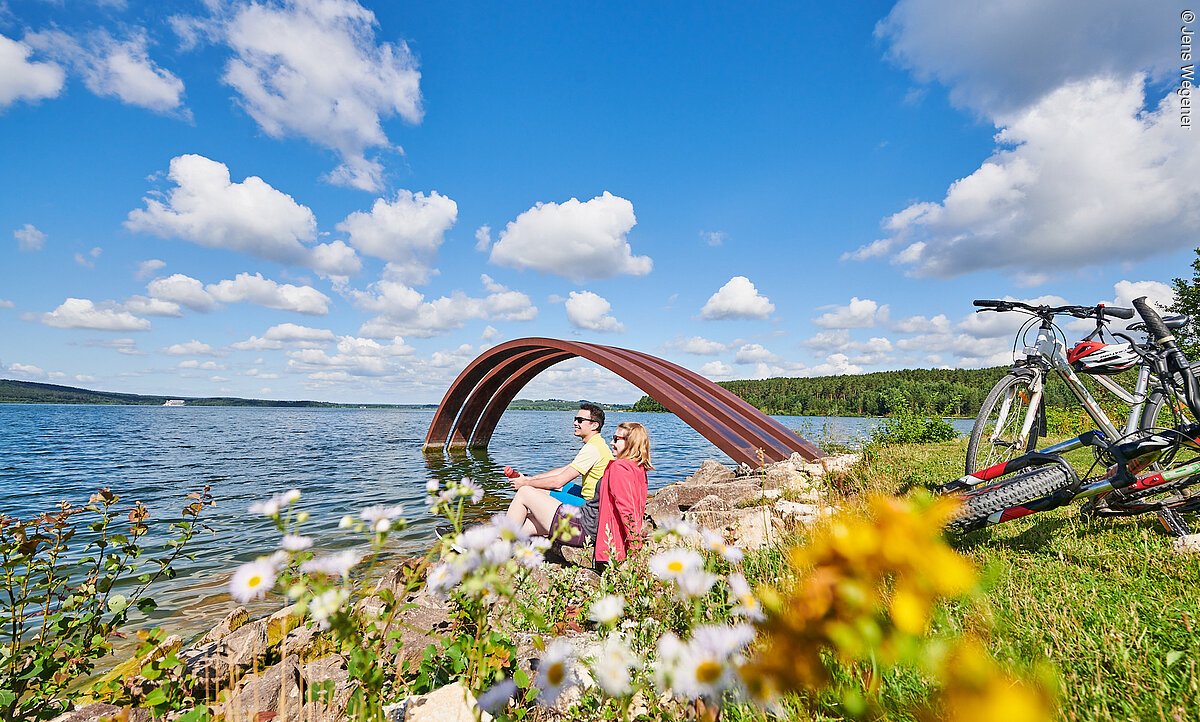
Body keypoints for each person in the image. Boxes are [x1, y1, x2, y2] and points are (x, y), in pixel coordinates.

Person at [506, 421, 653, 564]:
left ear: (631, 442)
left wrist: (635, 548)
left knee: (525, 492)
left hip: (583, 528)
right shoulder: (637, 469)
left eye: (616, 439)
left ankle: (502, 549)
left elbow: (626, 509)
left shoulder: (619, 468)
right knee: (531, 522)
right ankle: (505, 552)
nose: (611, 442)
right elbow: (634, 507)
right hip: (590, 525)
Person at [507, 403, 612, 511]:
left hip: (592, 507)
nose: (575, 423)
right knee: (561, 486)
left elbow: (558, 482)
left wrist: (525, 483)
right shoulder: (598, 444)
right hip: (596, 500)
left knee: (526, 492)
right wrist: (530, 478)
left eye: (580, 420)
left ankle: (511, 526)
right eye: (575, 419)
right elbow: (565, 470)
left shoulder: (592, 448)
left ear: (594, 425)